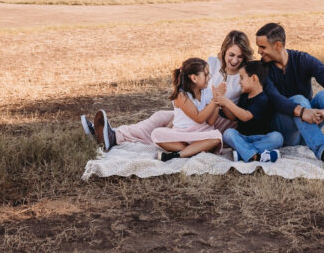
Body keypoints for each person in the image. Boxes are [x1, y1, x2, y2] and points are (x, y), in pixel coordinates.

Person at [81, 30, 251, 150]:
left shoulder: (244, 74)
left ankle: (115, 137)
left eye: (239, 56)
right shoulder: (212, 63)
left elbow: (237, 108)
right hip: (201, 108)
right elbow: (194, 85)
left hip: (219, 117)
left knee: (170, 128)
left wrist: (218, 101)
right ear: (224, 51)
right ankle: (114, 134)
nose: (234, 60)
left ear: (245, 56)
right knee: (161, 116)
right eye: (231, 55)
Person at [255, 22, 324, 174]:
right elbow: (275, 99)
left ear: (278, 45)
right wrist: (301, 111)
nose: (259, 51)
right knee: (299, 99)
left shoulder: (302, 59)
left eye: (262, 47)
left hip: (309, 127)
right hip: (285, 132)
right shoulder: (263, 69)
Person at [152, 57, 223, 161]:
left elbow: (211, 121)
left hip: (201, 134)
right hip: (181, 135)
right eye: (206, 74)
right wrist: (214, 100)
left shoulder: (207, 91)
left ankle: (179, 154)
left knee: (217, 137)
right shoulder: (181, 96)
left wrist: (217, 100)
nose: (209, 77)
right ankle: (193, 150)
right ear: (194, 78)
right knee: (156, 134)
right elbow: (199, 118)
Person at [214, 60, 283, 164]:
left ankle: (244, 154)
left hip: (261, 138)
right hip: (243, 138)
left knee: (277, 137)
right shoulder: (244, 96)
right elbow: (233, 117)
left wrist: (227, 102)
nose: (239, 82)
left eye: (242, 78)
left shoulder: (263, 99)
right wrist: (223, 105)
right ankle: (258, 155)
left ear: (254, 78)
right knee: (228, 133)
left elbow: (246, 116)